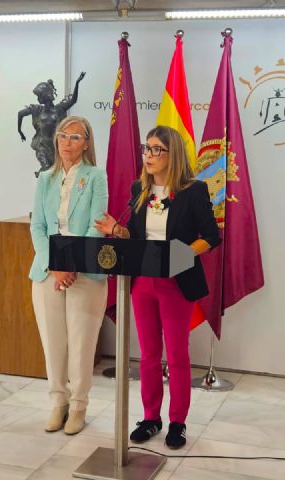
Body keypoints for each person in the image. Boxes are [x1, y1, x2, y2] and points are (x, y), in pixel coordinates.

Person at [94, 125, 221, 449]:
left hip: (176, 281)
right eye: (146, 149)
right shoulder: (140, 188)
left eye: (155, 150)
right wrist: (118, 230)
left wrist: (181, 255)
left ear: (171, 153)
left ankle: (177, 421)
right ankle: (151, 417)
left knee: (176, 354)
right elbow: (137, 236)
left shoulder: (193, 190)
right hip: (143, 282)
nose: (148, 156)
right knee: (149, 355)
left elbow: (211, 236)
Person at [29, 115, 108, 435]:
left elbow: (97, 225)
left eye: (75, 137)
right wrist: (55, 266)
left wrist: (72, 264)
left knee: (80, 344)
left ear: (86, 143)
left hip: (84, 272)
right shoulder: (45, 179)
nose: (67, 142)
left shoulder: (96, 177)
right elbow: (38, 226)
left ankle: (78, 406)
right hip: (48, 272)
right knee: (53, 343)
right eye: (63, 135)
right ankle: (58, 402)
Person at [18, 72, 86, 177]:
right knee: (46, 169)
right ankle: (43, 180)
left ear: (45, 95)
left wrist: (77, 83)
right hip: (42, 146)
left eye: (39, 96)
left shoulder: (59, 109)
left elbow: (73, 100)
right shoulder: (37, 109)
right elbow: (20, 113)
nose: (38, 99)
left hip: (56, 146)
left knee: (58, 172)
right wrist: (20, 131)